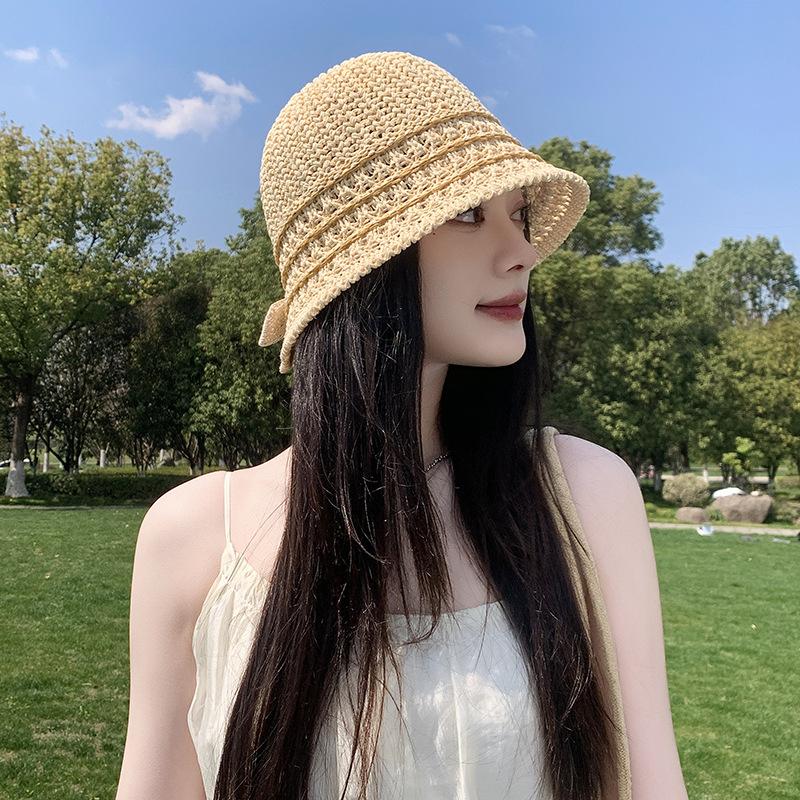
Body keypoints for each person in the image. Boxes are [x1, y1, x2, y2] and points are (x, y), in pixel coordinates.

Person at [115, 51, 688, 800]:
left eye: (518, 214)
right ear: (362, 262)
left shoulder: (582, 496)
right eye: (468, 213)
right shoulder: (193, 535)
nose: (522, 252)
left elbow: (652, 781)